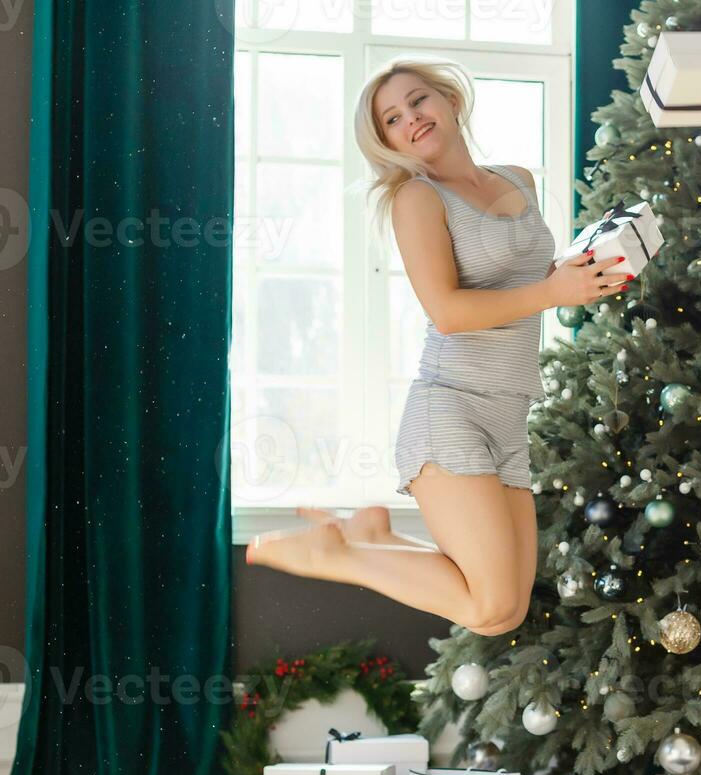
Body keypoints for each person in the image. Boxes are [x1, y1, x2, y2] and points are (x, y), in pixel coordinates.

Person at [246, 56, 627, 635]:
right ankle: (341, 554)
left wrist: (573, 273)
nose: (412, 119)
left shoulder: (517, 178)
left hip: (508, 416)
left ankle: (373, 536)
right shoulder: (416, 200)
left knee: (508, 611)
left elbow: (522, 279)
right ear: (388, 142)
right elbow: (448, 313)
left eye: (418, 101)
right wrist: (553, 292)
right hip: (451, 407)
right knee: (490, 609)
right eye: (393, 119)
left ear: (449, 98)